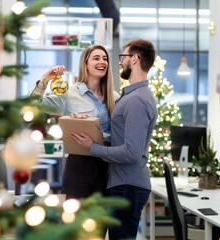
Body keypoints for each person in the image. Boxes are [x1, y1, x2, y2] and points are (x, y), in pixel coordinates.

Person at [70, 38, 158, 240]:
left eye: (123, 57)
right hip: (123, 183)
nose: (119, 62)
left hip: (127, 185)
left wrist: (92, 147)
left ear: (134, 59)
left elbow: (131, 152)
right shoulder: (131, 96)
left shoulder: (136, 99)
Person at [29, 44, 120, 199]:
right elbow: (32, 106)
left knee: (102, 220)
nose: (102, 62)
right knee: (76, 218)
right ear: (85, 64)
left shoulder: (115, 97)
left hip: (108, 168)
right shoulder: (69, 94)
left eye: (105, 59)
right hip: (79, 167)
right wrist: (45, 79)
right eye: (96, 58)